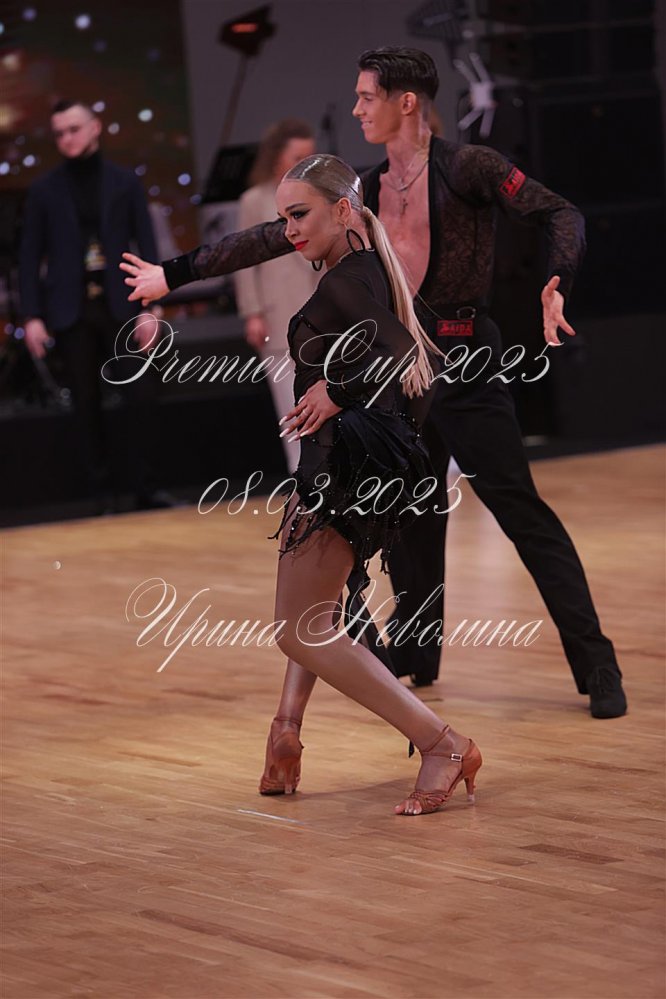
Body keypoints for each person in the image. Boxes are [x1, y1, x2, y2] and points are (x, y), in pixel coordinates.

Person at [120, 47, 626, 725]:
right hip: (400, 372)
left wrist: (557, 279)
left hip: (466, 362)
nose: (357, 108)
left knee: (521, 513)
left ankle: (597, 664)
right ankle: (417, 654)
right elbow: (272, 236)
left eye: (366, 96)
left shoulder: (469, 166)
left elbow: (561, 213)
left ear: (405, 102)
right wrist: (174, 274)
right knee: (412, 518)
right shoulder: (359, 189)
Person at [127, 152, 483, 815]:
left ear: (343, 210)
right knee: (313, 612)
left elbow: (410, 359)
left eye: (299, 216)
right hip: (341, 465)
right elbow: (259, 243)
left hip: (344, 470)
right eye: (284, 217)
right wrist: (172, 274)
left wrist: (337, 393)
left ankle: (442, 742)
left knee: (300, 629)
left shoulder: (348, 281)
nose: (288, 230)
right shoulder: (361, 266)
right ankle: (284, 732)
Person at [19, 99, 174, 512]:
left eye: (74, 129)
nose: (66, 138)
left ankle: (147, 488)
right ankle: (101, 494)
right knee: (85, 402)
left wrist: (151, 307)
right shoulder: (44, 189)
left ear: (95, 128)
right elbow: (29, 256)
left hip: (124, 302)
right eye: (59, 133)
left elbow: (147, 245)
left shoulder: (124, 181)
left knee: (141, 396)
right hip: (71, 308)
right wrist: (32, 316)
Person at [234, 119, 320, 472]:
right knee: (290, 403)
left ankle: (334, 477)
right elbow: (242, 261)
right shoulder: (255, 201)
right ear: (276, 157)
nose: (305, 164)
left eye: (309, 157)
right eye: (297, 157)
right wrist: (252, 312)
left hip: (320, 312)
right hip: (278, 312)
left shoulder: (321, 196)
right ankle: (301, 476)